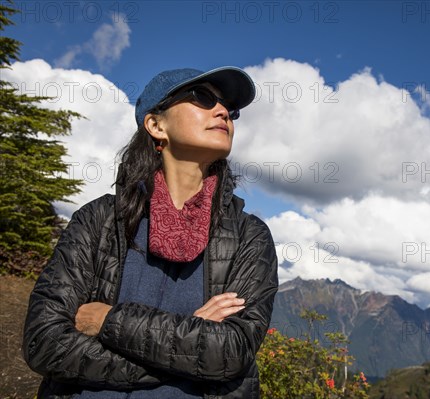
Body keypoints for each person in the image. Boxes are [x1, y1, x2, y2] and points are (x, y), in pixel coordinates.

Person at [22, 66, 279, 398]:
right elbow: (43, 341)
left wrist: (109, 321)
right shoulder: (99, 220)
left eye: (231, 109)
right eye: (202, 97)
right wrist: (184, 348)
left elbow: (230, 352)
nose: (223, 112)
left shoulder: (250, 236)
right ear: (156, 125)